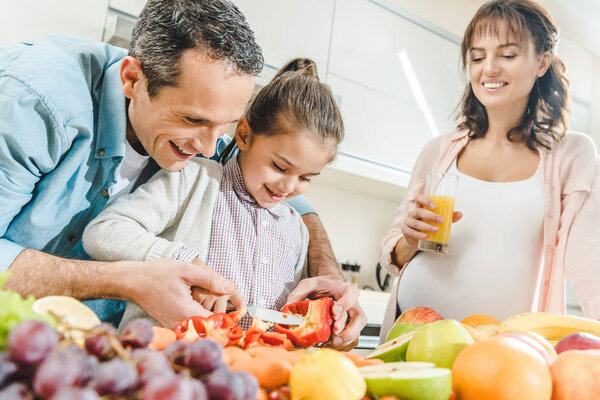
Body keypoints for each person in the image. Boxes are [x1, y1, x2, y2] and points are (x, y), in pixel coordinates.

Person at [0, 0, 365, 347]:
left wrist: (328, 280)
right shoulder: (35, 101)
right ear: (132, 79)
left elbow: (285, 197)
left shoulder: (201, 141)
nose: (210, 150)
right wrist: (129, 280)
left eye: (224, 127)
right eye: (194, 120)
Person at [379, 0, 600, 341]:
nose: (489, 69)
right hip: (410, 337)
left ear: (542, 61)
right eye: (478, 57)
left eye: (508, 55)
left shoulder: (572, 155)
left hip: (500, 353)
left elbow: (589, 263)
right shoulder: (438, 151)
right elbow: (392, 251)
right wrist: (408, 240)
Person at [83, 57, 343, 330]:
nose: (289, 187)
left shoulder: (296, 229)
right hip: (165, 360)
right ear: (243, 135)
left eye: (305, 178)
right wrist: (182, 260)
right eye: (279, 166)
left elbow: (292, 322)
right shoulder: (193, 180)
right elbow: (104, 231)